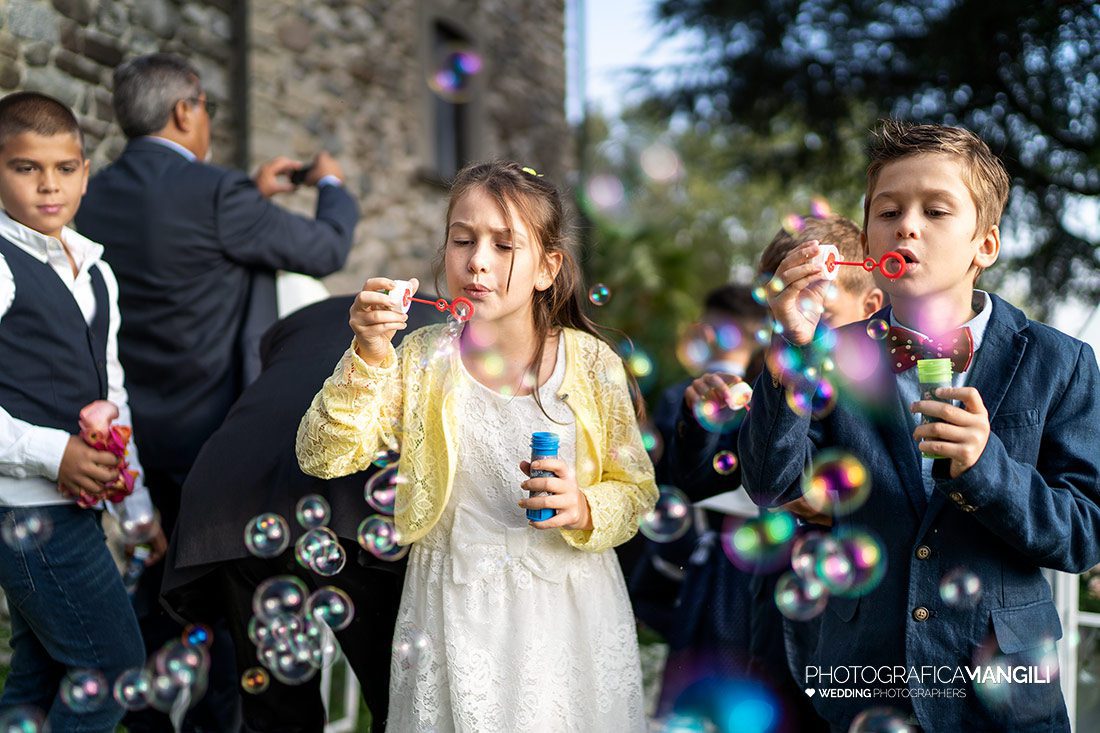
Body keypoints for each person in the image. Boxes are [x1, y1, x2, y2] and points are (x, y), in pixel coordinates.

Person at [741, 119, 1100, 731]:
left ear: (984, 246)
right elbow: (771, 483)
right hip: (862, 683)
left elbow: (1084, 532)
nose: (907, 225)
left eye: (936, 211)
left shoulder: (1059, 362)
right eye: (888, 211)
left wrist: (988, 470)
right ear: (869, 239)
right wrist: (792, 349)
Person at [297, 161, 658, 730]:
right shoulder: (419, 358)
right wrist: (368, 354)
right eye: (462, 239)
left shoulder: (591, 364)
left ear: (548, 267)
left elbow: (635, 491)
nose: (477, 260)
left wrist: (586, 506)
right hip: (450, 606)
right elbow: (324, 454)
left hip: (567, 609)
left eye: (504, 244)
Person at [74, 52, 359, 731]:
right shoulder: (219, 196)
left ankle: (144, 715)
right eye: (206, 109)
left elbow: (181, 243)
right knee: (234, 598)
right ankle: (215, 721)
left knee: (156, 581)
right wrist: (332, 183)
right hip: (215, 440)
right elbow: (326, 249)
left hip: (132, 443)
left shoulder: (93, 196)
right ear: (185, 109)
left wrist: (250, 194)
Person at [161, 294, 442, 732]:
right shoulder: (439, 332)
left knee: (276, 714)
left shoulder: (292, 327)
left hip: (232, 502)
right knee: (398, 701)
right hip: (349, 508)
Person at [0, 91, 164, 730]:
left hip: (78, 509)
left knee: (37, 681)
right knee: (115, 669)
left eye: (65, 169)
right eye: (26, 168)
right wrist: (52, 451)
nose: (49, 186)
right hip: (26, 507)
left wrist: (138, 509)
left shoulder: (97, 271)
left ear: (85, 172)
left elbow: (111, 394)